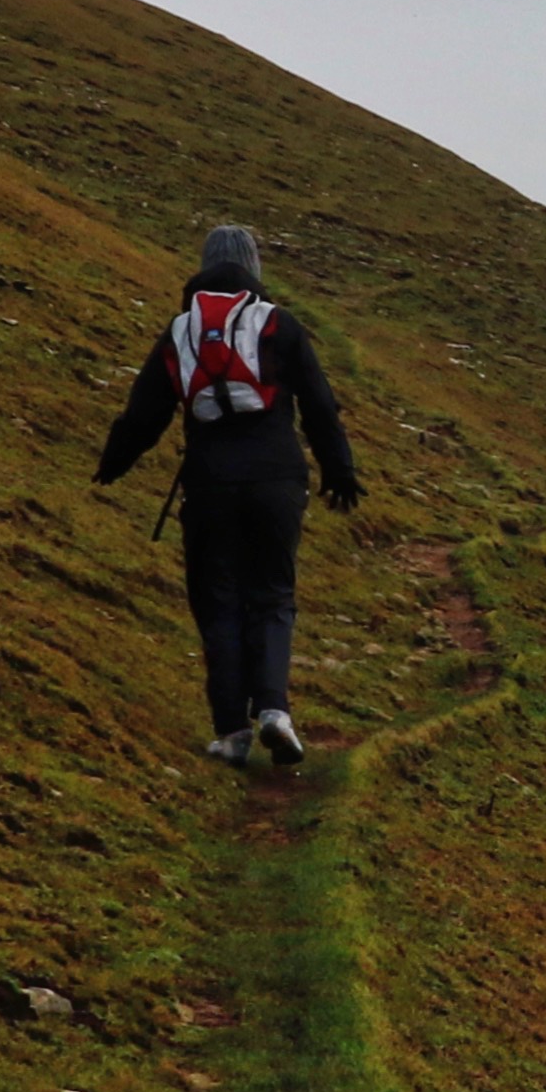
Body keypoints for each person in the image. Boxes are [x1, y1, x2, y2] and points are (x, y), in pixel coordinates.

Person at [95, 224, 362, 769]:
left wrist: (112, 465)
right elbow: (319, 405)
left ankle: (231, 731)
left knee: (217, 599)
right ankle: (274, 711)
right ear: (253, 269)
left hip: (209, 484)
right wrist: (339, 471)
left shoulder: (181, 332)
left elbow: (145, 413)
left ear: (203, 268)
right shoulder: (278, 324)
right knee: (272, 594)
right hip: (277, 481)